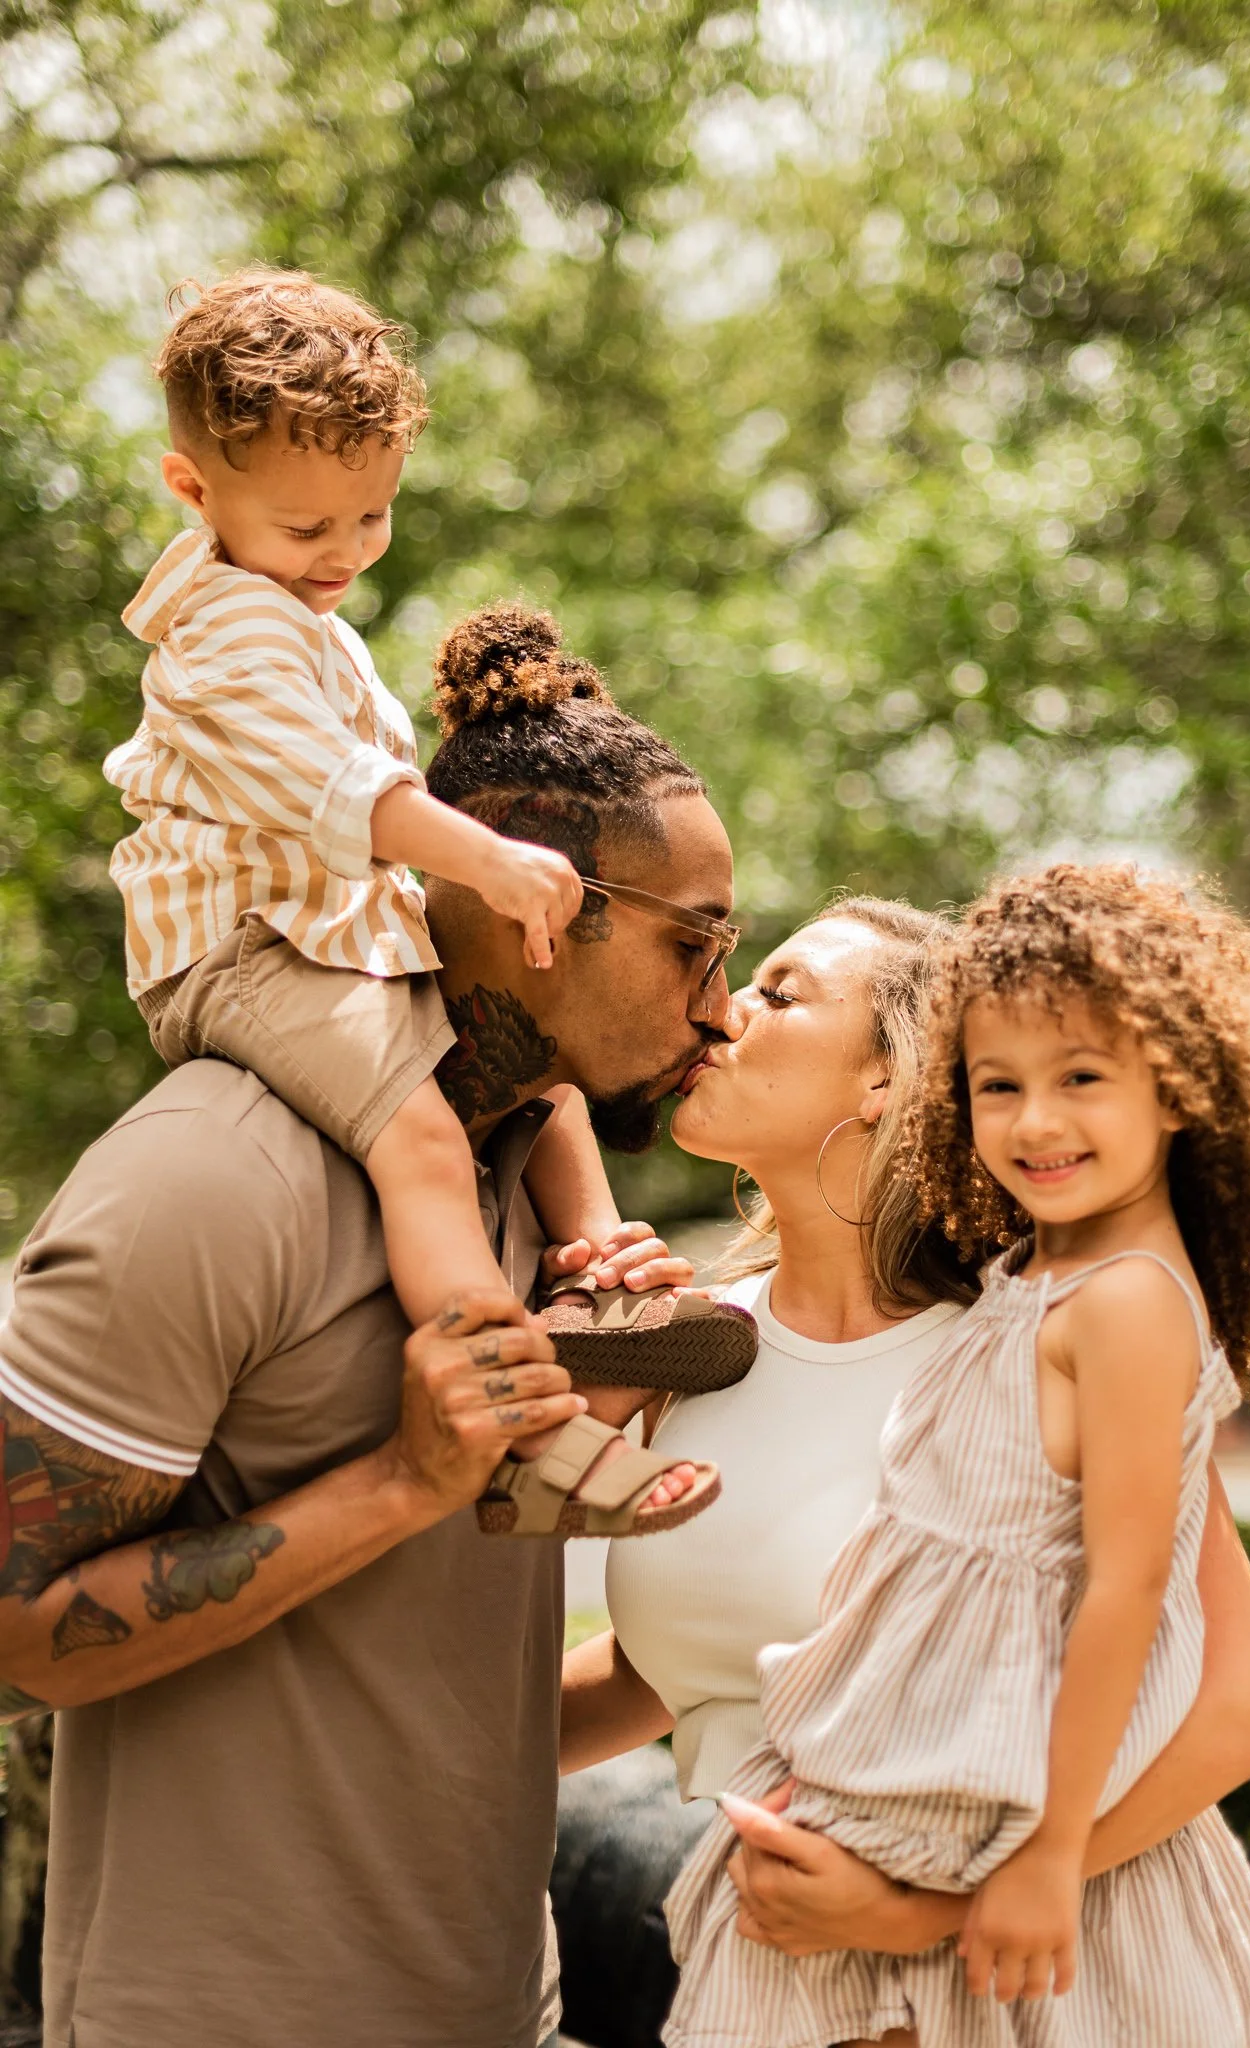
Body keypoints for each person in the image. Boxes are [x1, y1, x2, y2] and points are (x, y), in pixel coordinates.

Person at [0, 609, 738, 2048]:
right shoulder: (212, 1179)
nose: (717, 1009)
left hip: (500, 2008)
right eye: (694, 945)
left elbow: (441, 1683)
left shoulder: (528, 1189)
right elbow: (20, 1635)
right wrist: (401, 1484)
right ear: (540, 917)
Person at [559, 893, 1250, 2048]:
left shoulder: (1036, 1342)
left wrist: (930, 1913)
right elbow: (696, 1665)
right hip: (783, 1985)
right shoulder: (691, 1346)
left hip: (1041, 1983)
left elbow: (1234, 1713)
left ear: (885, 1079)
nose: (720, 1009)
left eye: (781, 991)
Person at [102, 270, 730, 1526]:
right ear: (194, 491)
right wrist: (482, 858)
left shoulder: (296, 612)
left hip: (329, 934)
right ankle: (516, 1428)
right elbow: (336, 789)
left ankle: (595, 1270)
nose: (342, 554)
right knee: (424, 1141)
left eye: (372, 517)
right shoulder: (228, 634)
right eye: (307, 528)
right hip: (245, 951)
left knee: (530, 1058)